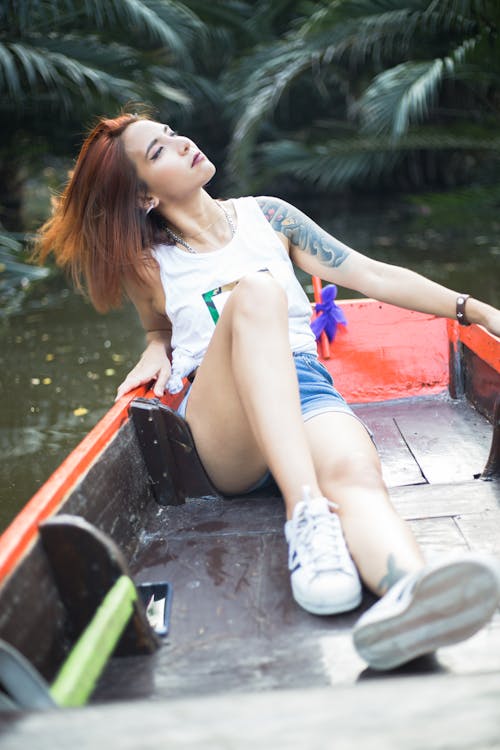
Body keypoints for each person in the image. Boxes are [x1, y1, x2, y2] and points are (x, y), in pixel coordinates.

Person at [34, 111, 500, 672]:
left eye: (171, 133)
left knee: (357, 476)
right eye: (158, 151)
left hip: (303, 384)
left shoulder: (269, 217)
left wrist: (474, 310)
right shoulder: (147, 262)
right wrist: (157, 347)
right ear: (143, 197)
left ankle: (411, 595)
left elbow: (370, 274)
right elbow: (160, 326)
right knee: (256, 294)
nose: (181, 143)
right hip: (225, 419)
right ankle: (306, 514)